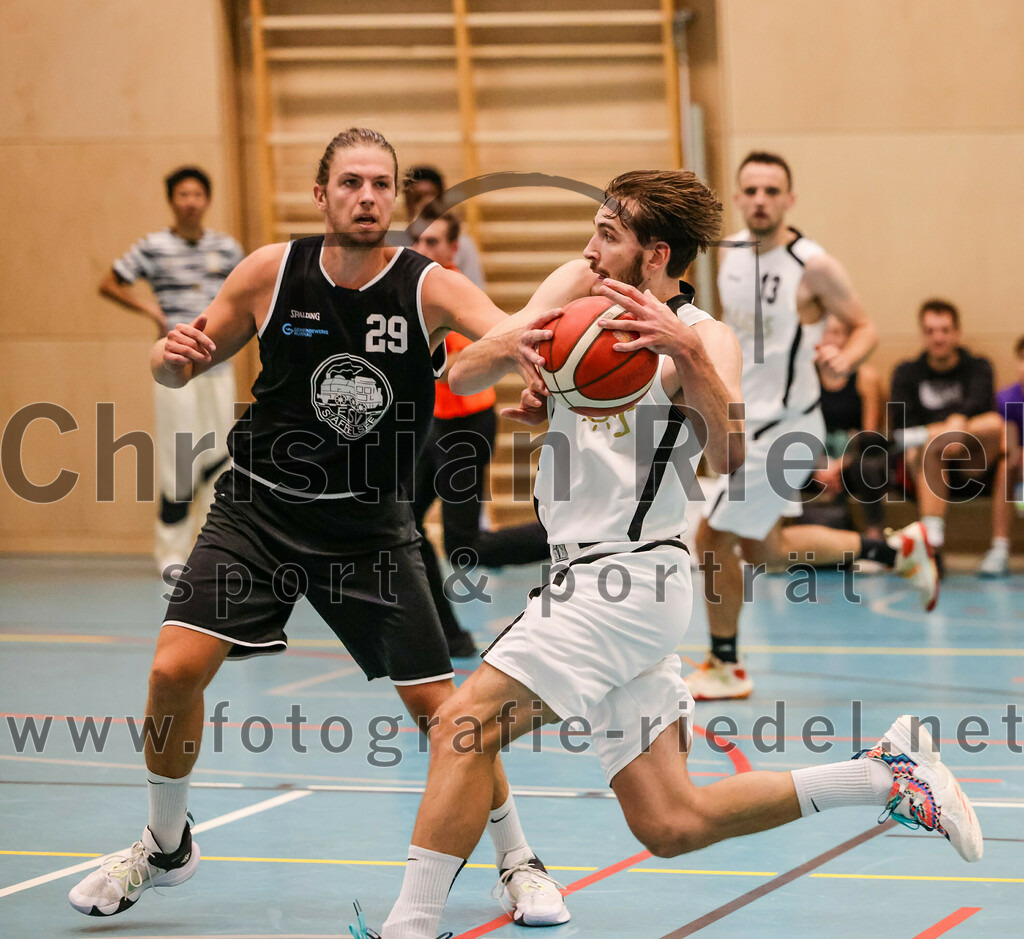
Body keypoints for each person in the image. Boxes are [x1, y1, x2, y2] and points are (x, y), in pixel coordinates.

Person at [370, 169, 983, 939]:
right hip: (596, 576)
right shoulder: (572, 284)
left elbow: (727, 455)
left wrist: (686, 356)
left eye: (608, 235)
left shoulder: (707, 337)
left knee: (463, 726)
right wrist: (528, 356)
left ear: (655, 255)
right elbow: (462, 371)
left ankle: (411, 926)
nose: (590, 248)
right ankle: (879, 774)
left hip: (623, 578)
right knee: (672, 820)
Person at [68, 129, 568, 928]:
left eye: (381, 184)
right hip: (258, 509)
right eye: (351, 182)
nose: (367, 196)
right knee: (172, 670)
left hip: (369, 527)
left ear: (397, 198)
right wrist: (168, 359)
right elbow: (184, 359)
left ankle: (520, 860)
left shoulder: (427, 285)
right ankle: (165, 845)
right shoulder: (271, 271)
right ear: (321, 193)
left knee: (445, 713)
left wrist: (533, 353)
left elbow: (500, 329)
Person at [686, 152, 937, 702]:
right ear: (737, 196)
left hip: (789, 428)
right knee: (766, 552)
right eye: (750, 190)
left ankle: (725, 664)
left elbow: (864, 324)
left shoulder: (812, 264)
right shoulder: (727, 254)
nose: (760, 200)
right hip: (742, 423)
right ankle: (896, 551)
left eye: (771, 191)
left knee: (709, 539)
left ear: (789, 200)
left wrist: (844, 361)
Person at [99, 167, 244, 575]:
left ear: (207, 199)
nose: (191, 201)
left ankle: (208, 546)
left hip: (218, 368)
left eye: (198, 193)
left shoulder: (227, 248)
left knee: (219, 457)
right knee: (179, 460)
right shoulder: (154, 246)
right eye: (183, 194)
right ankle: (171, 553)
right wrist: (152, 311)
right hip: (174, 370)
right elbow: (110, 282)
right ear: (172, 200)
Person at [890, 299, 1010, 577]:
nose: (938, 337)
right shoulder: (907, 372)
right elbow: (903, 428)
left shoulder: (978, 366)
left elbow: (981, 406)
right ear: (923, 334)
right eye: (930, 331)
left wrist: (958, 426)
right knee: (931, 446)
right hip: (925, 464)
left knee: (994, 425)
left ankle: (995, 548)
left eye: (944, 330)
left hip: (972, 462)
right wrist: (949, 430)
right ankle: (932, 546)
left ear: (956, 332)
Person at [804, 314, 888, 539]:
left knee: (868, 464)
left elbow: (869, 435)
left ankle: (874, 535)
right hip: (814, 460)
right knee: (779, 458)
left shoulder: (866, 378)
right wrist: (818, 468)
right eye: (824, 333)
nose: (829, 339)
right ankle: (772, 538)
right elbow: (796, 432)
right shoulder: (803, 379)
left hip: (851, 459)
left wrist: (838, 466)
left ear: (849, 339)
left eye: (836, 333)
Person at [403, 165, 487, 289]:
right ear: (407, 202)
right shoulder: (393, 247)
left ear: (453, 247)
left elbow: (477, 291)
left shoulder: (463, 243)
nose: (421, 250)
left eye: (431, 242)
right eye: (417, 198)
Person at [995, 334, 1024, 520]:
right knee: (1007, 464)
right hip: (1018, 464)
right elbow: (1009, 444)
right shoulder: (1006, 398)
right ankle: (1000, 544)